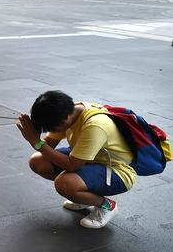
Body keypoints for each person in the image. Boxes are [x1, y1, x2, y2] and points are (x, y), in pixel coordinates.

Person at [17, 91, 137, 229]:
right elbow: (49, 144)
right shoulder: (67, 112)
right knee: (38, 162)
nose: (52, 130)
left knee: (65, 184)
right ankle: (84, 197)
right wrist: (34, 136)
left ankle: (107, 206)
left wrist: (36, 142)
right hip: (89, 159)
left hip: (117, 170)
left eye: (51, 128)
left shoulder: (94, 125)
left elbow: (72, 165)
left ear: (66, 118)